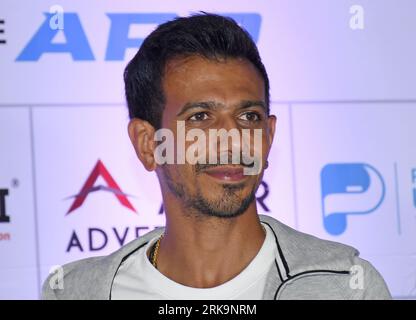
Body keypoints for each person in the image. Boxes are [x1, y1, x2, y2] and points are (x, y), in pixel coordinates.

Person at [42, 13, 391, 300]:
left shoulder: (346, 287)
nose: (233, 140)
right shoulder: (75, 293)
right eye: (200, 117)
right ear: (148, 144)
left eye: (249, 116)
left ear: (268, 136)